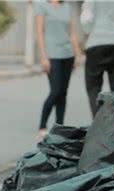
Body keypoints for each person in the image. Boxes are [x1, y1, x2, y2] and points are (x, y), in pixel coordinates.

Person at [35, 0, 82, 140]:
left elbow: (72, 33)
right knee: (55, 91)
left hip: (67, 54)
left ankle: (59, 127)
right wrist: (43, 57)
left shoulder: (67, 7)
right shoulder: (41, 5)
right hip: (52, 55)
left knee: (63, 93)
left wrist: (77, 53)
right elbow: (39, 32)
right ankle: (42, 126)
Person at [80, 0, 114, 116]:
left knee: (93, 87)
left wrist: (89, 32)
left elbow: (86, 18)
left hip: (97, 41)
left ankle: (99, 124)